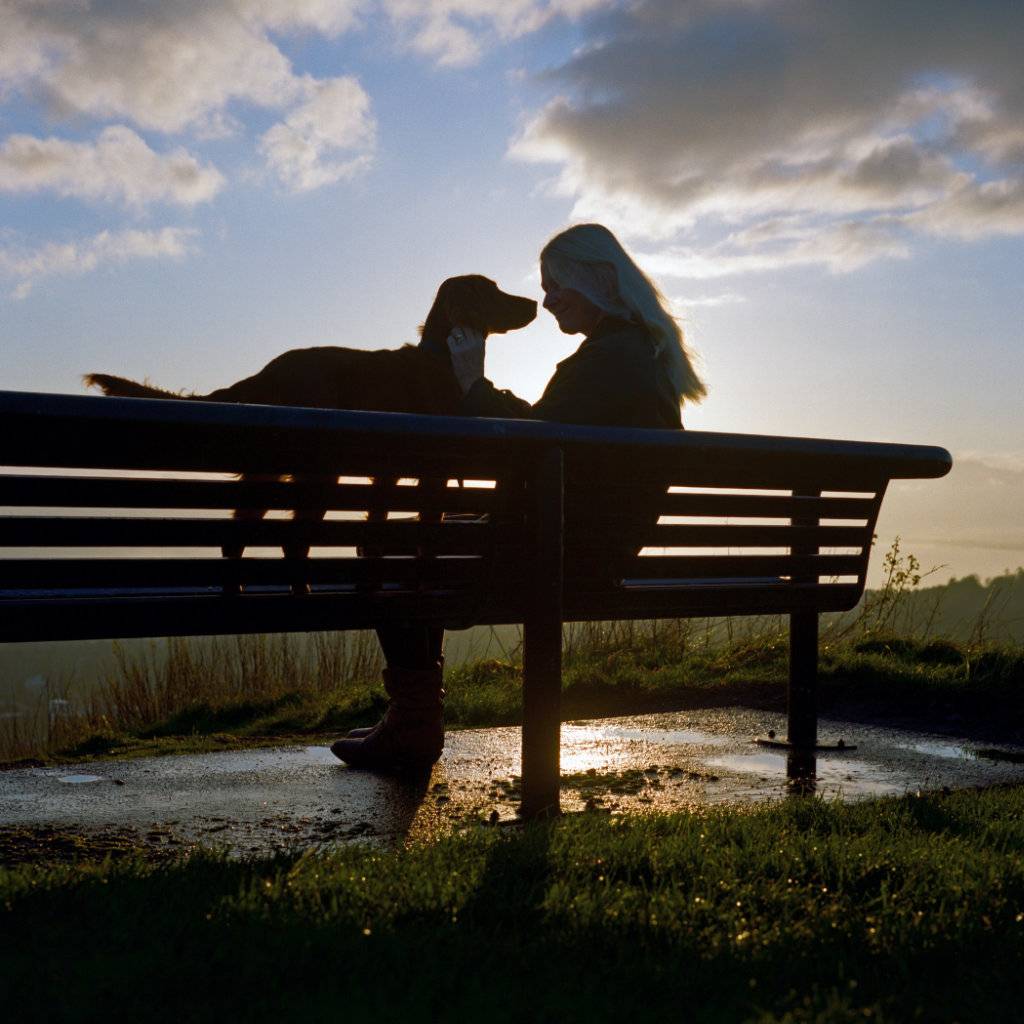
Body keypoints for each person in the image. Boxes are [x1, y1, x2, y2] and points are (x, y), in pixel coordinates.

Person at [331, 223, 706, 770]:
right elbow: (552, 433)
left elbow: (531, 447)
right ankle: (413, 721)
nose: (548, 300)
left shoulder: (608, 360)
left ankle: (413, 723)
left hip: (558, 556)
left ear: (600, 279)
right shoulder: (638, 356)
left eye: (557, 285)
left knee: (386, 546)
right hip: (592, 549)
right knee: (420, 539)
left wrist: (472, 383)